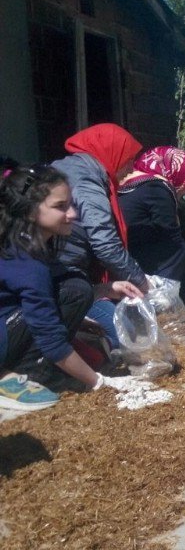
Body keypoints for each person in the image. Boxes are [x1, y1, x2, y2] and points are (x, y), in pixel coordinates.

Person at [0, 167, 138, 409]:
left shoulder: (21, 243)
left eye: (71, 204)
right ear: (30, 211)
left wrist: (104, 290)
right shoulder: (28, 264)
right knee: (75, 290)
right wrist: (99, 382)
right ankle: (25, 375)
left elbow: (42, 295)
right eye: (60, 206)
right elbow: (50, 338)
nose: (73, 214)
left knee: (77, 287)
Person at [50, 123, 147, 347]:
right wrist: (142, 282)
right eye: (129, 159)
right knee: (125, 338)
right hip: (65, 283)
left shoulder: (70, 168)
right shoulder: (86, 181)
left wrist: (104, 288)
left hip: (73, 282)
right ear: (113, 152)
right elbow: (106, 244)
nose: (132, 168)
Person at [118, 147, 185, 314]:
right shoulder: (156, 187)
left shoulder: (132, 181)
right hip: (146, 261)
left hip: (133, 253)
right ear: (176, 172)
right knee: (182, 261)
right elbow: (172, 239)